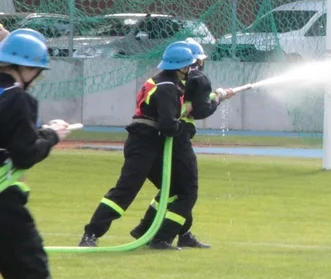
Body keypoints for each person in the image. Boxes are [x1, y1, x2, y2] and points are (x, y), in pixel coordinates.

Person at [78, 41, 197, 250]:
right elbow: (168, 125)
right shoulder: (167, 88)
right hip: (143, 144)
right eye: (188, 67)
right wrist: (183, 129)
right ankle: (91, 233)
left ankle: (155, 235)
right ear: (180, 68)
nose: (190, 71)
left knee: (175, 189)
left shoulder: (163, 82)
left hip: (149, 143)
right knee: (125, 191)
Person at [0, 29, 70, 279]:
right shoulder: (18, 98)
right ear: (26, 68)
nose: (37, 80)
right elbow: (25, 154)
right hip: (5, 210)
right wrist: (54, 136)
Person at [130, 38, 237, 249]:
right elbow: (201, 109)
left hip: (164, 137)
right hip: (179, 138)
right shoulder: (198, 79)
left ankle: (148, 229)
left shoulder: (174, 79)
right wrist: (219, 98)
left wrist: (216, 96)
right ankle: (162, 237)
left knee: (173, 189)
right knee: (188, 190)